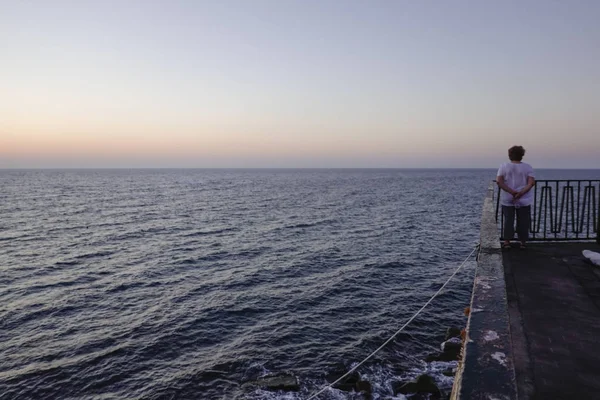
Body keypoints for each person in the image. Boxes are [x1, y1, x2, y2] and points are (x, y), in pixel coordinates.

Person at [496, 146, 535, 249]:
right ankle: (523, 243)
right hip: (524, 199)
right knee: (523, 221)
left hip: (508, 198)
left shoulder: (503, 166)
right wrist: (520, 193)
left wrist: (512, 193)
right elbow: (531, 183)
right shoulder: (528, 167)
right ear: (522, 155)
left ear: (510, 155)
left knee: (508, 220)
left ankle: (507, 242)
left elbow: (499, 181)